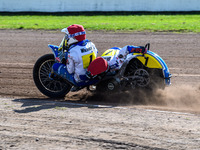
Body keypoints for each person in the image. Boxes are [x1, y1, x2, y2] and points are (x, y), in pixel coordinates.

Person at [52, 24, 98, 90]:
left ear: (73, 38)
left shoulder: (73, 51)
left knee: (55, 66)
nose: (67, 38)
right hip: (92, 76)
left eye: (68, 36)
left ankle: (75, 85)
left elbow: (70, 70)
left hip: (80, 80)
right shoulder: (91, 44)